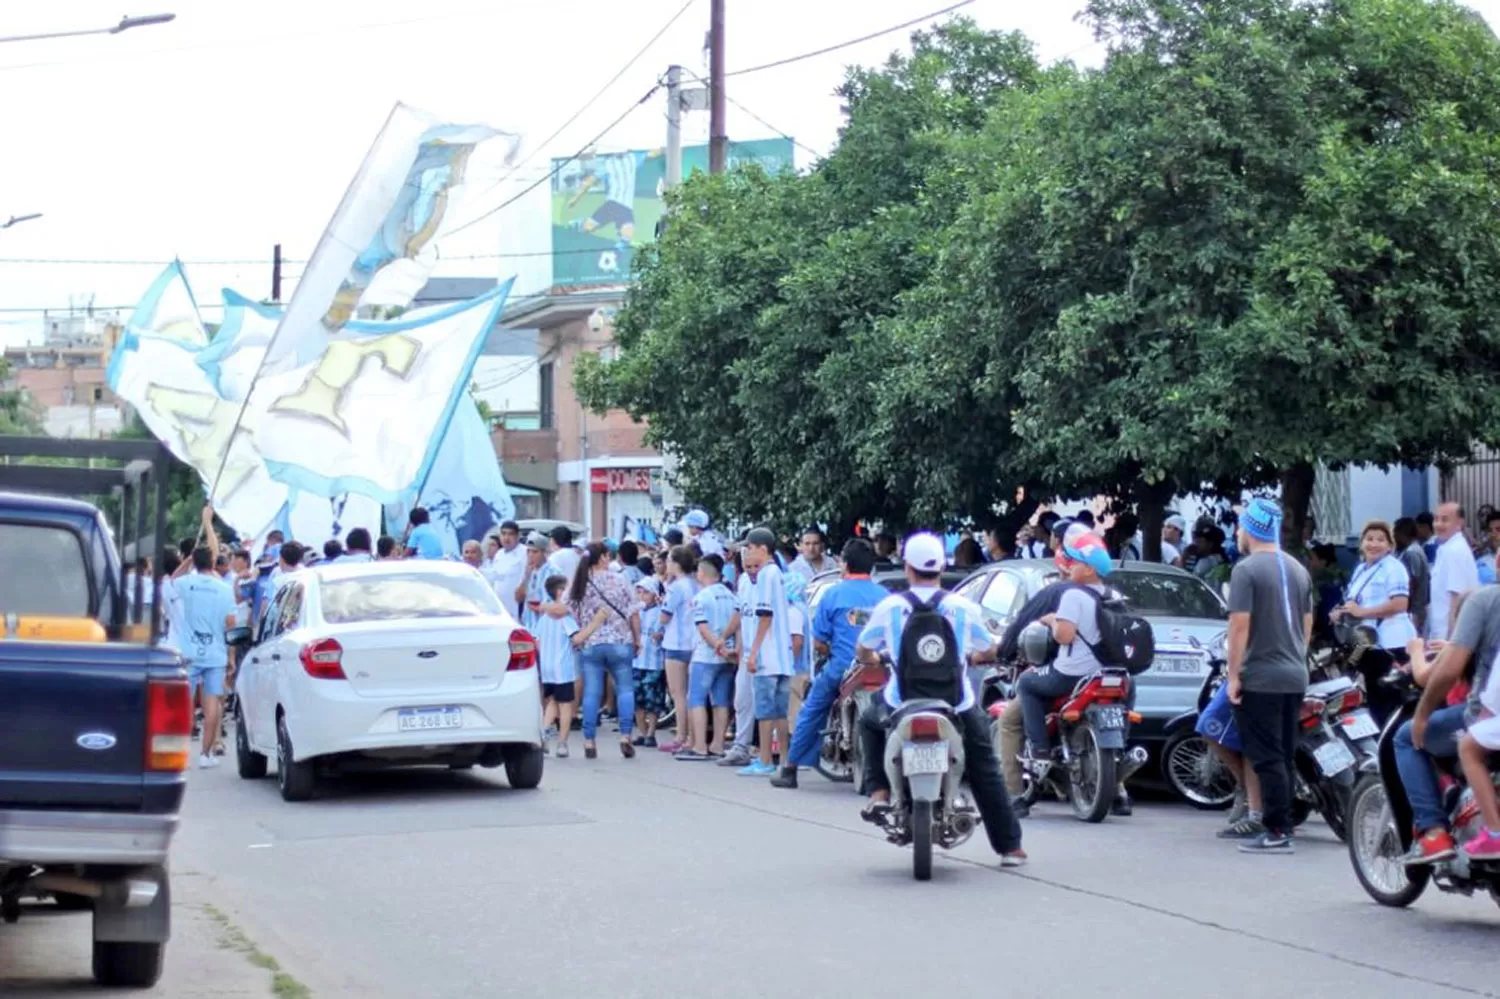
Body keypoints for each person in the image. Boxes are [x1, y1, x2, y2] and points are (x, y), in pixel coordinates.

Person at [854, 532, 1025, 867]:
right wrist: (978, 657)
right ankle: (1010, 847)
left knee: (867, 722)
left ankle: (878, 793)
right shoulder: (962, 607)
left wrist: (872, 658)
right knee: (984, 768)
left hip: (899, 702)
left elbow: (864, 647)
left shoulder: (891, 606)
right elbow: (987, 647)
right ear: (941, 566)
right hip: (955, 703)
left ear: (908, 568)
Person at [1015, 530, 1135, 816]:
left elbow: (1065, 636)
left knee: (1027, 684)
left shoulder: (1073, 595)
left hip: (1073, 674)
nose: (1068, 566)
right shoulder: (1116, 595)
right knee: (1124, 712)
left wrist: (1052, 620)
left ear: (1090, 569)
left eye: (1075, 562)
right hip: (1116, 675)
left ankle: (1040, 751)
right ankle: (1118, 779)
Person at [1225, 497, 1314, 855]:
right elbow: (1307, 623)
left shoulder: (1246, 570)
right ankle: (1283, 823)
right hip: (1294, 673)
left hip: (1261, 676)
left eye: (1240, 525)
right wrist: (1296, 656)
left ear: (1251, 528)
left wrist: (1234, 675)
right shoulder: (1298, 569)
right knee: (1283, 754)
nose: (1237, 532)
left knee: (1266, 756)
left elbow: (1239, 626)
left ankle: (1278, 830)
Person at [772, 538, 887, 789]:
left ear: (844, 564)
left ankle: (790, 768)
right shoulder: (885, 596)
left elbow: (819, 641)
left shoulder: (832, 594)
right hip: (881, 669)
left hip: (843, 668)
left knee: (812, 709)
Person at [1398, 583, 1500, 862]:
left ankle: (1434, 831)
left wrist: (1421, 714)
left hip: (1484, 715)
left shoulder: (1484, 601)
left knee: (1406, 738)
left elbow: (1437, 675)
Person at [1330, 521, 1415, 723]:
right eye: (1369, 539)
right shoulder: (1361, 569)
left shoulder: (1394, 568)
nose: (1374, 544)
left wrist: (1362, 612)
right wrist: (1339, 611)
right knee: (1375, 701)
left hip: (1392, 643)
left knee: (1392, 702)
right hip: (1367, 643)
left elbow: (1400, 604)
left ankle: (1395, 748)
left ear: (1389, 545)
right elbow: (1353, 601)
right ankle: (1382, 749)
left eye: (1380, 540)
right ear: (1361, 543)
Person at [732, 528, 796, 777]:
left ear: (762, 548)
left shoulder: (767, 575)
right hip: (782, 656)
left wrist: (753, 652)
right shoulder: (777, 573)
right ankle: (785, 760)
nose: (747, 552)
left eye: (749, 547)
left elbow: (764, 616)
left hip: (766, 656)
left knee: (765, 710)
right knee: (780, 711)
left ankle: (765, 758)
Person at [569, 543, 642, 760]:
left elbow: (568, 608)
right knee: (625, 689)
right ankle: (625, 735)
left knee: (592, 691)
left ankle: (589, 740)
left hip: (591, 643)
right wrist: (638, 639)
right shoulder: (620, 579)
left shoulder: (580, 581)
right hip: (621, 641)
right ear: (603, 558)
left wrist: (581, 631)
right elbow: (633, 612)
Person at [176, 530, 237, 769]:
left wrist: (187, 560)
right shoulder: (223, 588)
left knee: (183, 703)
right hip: (215, 653)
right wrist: (231, 656)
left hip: (188, 653)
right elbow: (231, 624)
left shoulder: (185, 583)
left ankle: (177, 754)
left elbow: (170, 578)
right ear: (213, 562)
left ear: (193, 561)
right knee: (213, 702)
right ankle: (205, 754)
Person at [679, 554, 739, 760]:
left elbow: (702, 628)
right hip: (729, 655)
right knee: (721, 700)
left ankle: (699, 745)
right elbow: (738, 624)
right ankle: (718, 745)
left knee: (696, 698)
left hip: (706, 655)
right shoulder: (732, 596)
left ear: (701, 573)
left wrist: (716, 645)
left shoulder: (702, 597)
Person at [654, 546, 700, 755]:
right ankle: (692, 735)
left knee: (677, 693)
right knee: (690, 693)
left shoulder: (676, 588)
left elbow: (665, 615)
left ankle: (681, 735)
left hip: (675, 643)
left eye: (670, 561)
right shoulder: (696, 585)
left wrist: (657, 630)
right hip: (695, 642)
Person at [535, 574, 580, 757]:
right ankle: (562, 743)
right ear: (560, 592)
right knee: (566, 706)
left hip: (547, 668)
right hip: (563, 668)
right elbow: (576, 638)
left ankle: (544, 738)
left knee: (552, 702)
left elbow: (537, 640)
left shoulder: (544, 618)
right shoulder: (565, 619)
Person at [1429, 502, 1480, 641]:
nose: (1438, 524)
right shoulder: (1446, 549)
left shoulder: (1455, 551)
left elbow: (1457, 599)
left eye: (1445, 520)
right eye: (1436, 519)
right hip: (1441, 633)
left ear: (1459, 523)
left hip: (1449, 636)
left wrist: (1451, 642)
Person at [632, 576, 666, 747]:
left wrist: (660, 636)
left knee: (653, 699)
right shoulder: (635, 611)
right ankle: (642, 731)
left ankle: (651, 732)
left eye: (646, 592)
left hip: (654, 661)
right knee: (637, 699)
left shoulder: (661, 612)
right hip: (637, 660)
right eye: (640, 592)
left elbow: (664, 631)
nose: (642, 595)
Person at [1394, 517, 1430, 635]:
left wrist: (1403, 605)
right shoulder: (1416, 549)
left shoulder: (1411, 552)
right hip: (1418, 607)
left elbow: (1412, 582)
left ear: (1402, 534)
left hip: (1414, 608)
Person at [487, 521, 527, 619]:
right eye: (503, 534)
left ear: (518, 536)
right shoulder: (499, 554)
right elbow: (495, 576)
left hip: (517, 607)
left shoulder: (525, 553)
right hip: (500, 607)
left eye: (510, 534)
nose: (506, 538)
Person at [516, 531, 550, 630]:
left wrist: (539, 607)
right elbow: (518, 598)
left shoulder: (553, 572)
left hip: (544, 626)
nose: (531, 555)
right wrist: (526, 577)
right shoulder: (527, 571)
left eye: (535, 552)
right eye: (528, 551)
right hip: (529, 625)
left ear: (544, 552)